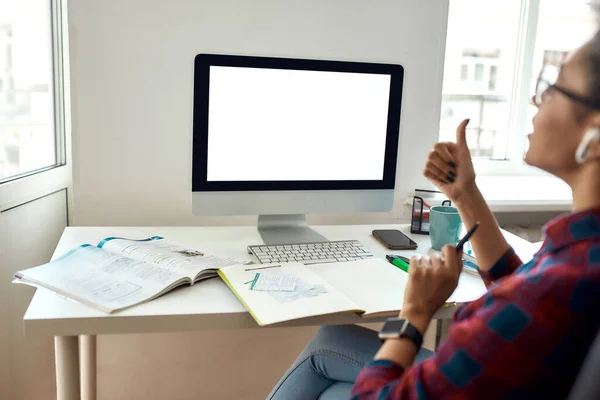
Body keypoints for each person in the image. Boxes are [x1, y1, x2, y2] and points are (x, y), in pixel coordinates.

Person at [267, 29, 600, 400]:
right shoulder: (579, 257)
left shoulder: (552, 289)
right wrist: (466, 194)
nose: (536, 100)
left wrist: (414, 313)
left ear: (595, 134)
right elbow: (519, 285)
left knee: (325, 359)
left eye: (553, 88)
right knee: (330, 343)